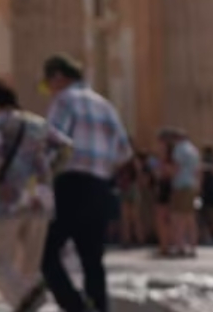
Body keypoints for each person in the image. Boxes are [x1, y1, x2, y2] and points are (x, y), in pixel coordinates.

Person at [39, 54, 132, 312]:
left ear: (58, 76)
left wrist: (39, 174)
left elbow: (53, 142)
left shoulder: (65, 100)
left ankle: (75, 307)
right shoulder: (106, 106)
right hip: (100, 187)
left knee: (45, 253)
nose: (48, 91)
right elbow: (124, 152)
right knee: (92, 259)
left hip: (71, 184)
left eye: (47, 85)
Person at [0, 80, 73, 312]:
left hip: (10, 197)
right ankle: (31, 300)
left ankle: (26, 300)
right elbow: (66, 147)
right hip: (41, 197)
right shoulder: (38, 123)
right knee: (28, 264)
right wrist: (47, 172)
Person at [160, 128, 200, 258]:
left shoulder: (179, 149)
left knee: (177, 217)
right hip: (191, 185)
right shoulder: (194, 150)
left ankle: (180, 246)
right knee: (190, 218)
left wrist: (165, 174)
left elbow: (176, 168)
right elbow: (197, 170)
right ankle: (193, 246)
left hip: (180, 185)